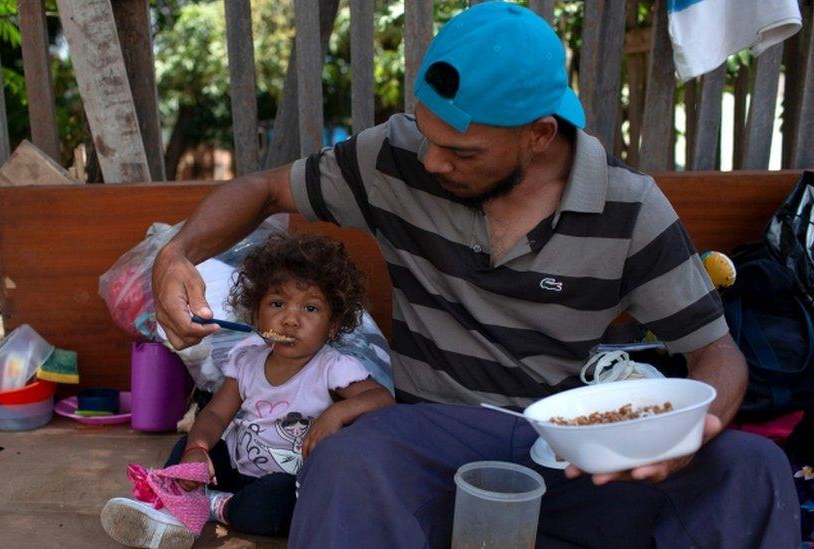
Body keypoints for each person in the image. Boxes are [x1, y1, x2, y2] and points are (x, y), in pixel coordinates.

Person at [152, 3, 801, 547]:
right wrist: (177, 252)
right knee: (348, 461)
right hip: (431, 441)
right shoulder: (395, 159)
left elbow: (717, 353)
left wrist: (691, 429)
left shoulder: (628, 210)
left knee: (753, 468)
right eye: (426, 134)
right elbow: (265, 190)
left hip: (577, 457)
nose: (431, 160)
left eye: (460, 150)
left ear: (540, 135)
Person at [103, 232, 394, 546]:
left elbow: (382, 398)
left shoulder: (332, 366)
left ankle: (206, 506)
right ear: (256, 314)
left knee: (279, 502)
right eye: (277, 303)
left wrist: (336, 413)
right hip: (234, 468)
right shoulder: (247, 358)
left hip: (286, 484)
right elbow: (215, 413)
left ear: (333, 324)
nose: (291, 320)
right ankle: (167, 503)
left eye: (310, 309)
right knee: (188, 445)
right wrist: (198, 450)